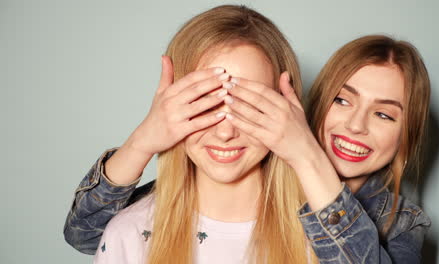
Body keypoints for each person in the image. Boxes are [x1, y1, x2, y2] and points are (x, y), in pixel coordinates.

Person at [64, 6, 431, 264]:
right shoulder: (140, 224)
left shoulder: (337, 227)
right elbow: (86, 232)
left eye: (384, 114)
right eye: (342, 100)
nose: (355, 126)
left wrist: (306, 156)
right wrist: (144, 139)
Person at [85, 5, 316, 264]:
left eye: (249, 105)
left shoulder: (326, 240)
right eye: (204, 102)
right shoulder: (127, 235)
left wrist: (306, 153)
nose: (226, 131)